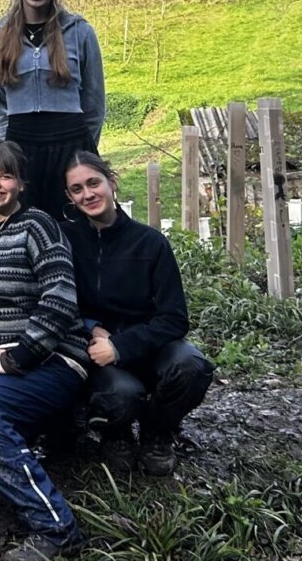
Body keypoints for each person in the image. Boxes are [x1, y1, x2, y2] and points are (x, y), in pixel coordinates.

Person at [0, 140, 89, 561]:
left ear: (21, 183)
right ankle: (37, 436)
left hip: (50, 358)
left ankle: (56, 528)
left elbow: (60, 300)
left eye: (6, 175)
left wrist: (16, 358)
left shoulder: (38, 226)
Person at [60, 152, 213, 476]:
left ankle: (157, 433)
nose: (87, 194)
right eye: (77, 189)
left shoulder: (150, 243)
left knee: (192, 366)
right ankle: (116, 434)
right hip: (95, 352)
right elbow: (57, 300)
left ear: (111, 183)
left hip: (147, 345)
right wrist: (90, 327)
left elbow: (174, 318)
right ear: (69, 197)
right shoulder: (65, 241)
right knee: (121, 395)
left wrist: (122, 345)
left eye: (93, 183)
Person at [0, 0, 105, 221]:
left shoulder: (80, 32)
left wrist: (81, 151)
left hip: (71, 144)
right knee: (25, 227)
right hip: (22, 147)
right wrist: (10, 151)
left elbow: (95, 104)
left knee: (77, 228)